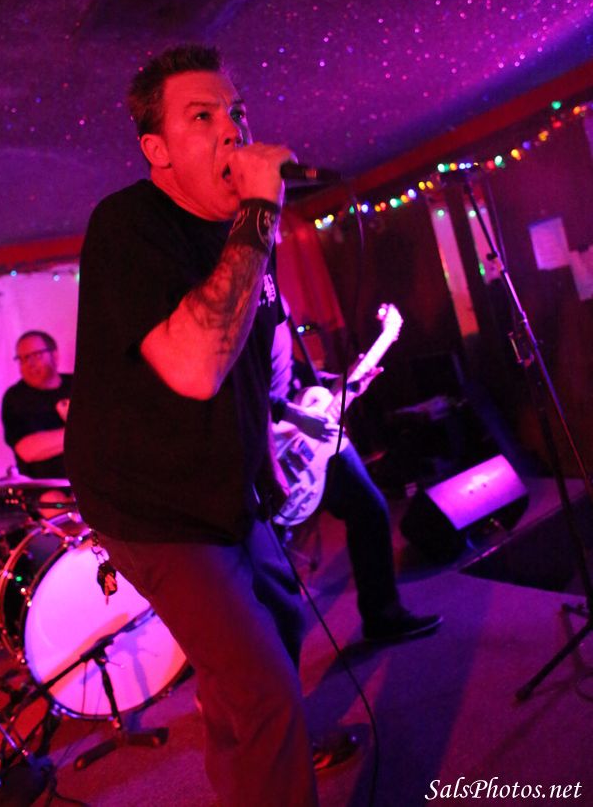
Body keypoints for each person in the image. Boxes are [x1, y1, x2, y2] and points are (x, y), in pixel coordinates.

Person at [65, 44, 351, 807]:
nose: (232, 129)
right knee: (265, 692)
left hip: (226, 489)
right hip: (151, 507)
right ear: (156, 150)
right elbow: (195, 369)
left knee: (279, 628)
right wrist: (258, 214)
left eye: (237, 112)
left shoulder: (241, 239)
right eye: (202, 116)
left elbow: (250, 371)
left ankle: (244, 773)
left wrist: (269, 466)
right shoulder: (128, 226)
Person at [270, 316, 442, 643]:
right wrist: (294, 416)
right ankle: (271, 660)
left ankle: (384, 619)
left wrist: (340, 380)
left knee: (370, 509)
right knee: (269, 561)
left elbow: (289, 369)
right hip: (272, 444)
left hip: (310, 425)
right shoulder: (237, 304)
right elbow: (237, 390)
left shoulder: (275, 296)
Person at [1, 330, 71, 479]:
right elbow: (27, 450)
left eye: (36, 355)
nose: (29, 364)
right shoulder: (15, 398)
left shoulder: (77, 384)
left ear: (54, 355)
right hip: (44, 487)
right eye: (23, 359)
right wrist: (84, 431)